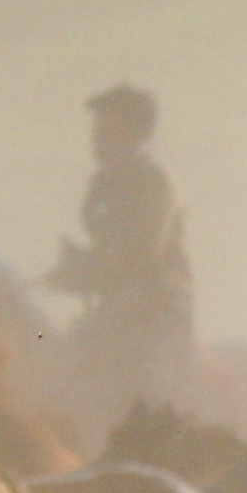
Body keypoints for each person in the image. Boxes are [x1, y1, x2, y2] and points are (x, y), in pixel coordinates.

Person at [51, 84, 190, 429]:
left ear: (135, 133)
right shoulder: (102, 182)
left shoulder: (155, 182)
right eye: (95, 132)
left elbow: (140, 255)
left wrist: (81, 271)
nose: (95, 140)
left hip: (155, 311)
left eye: (105, 131)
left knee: (141, 398)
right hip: (113, 309)